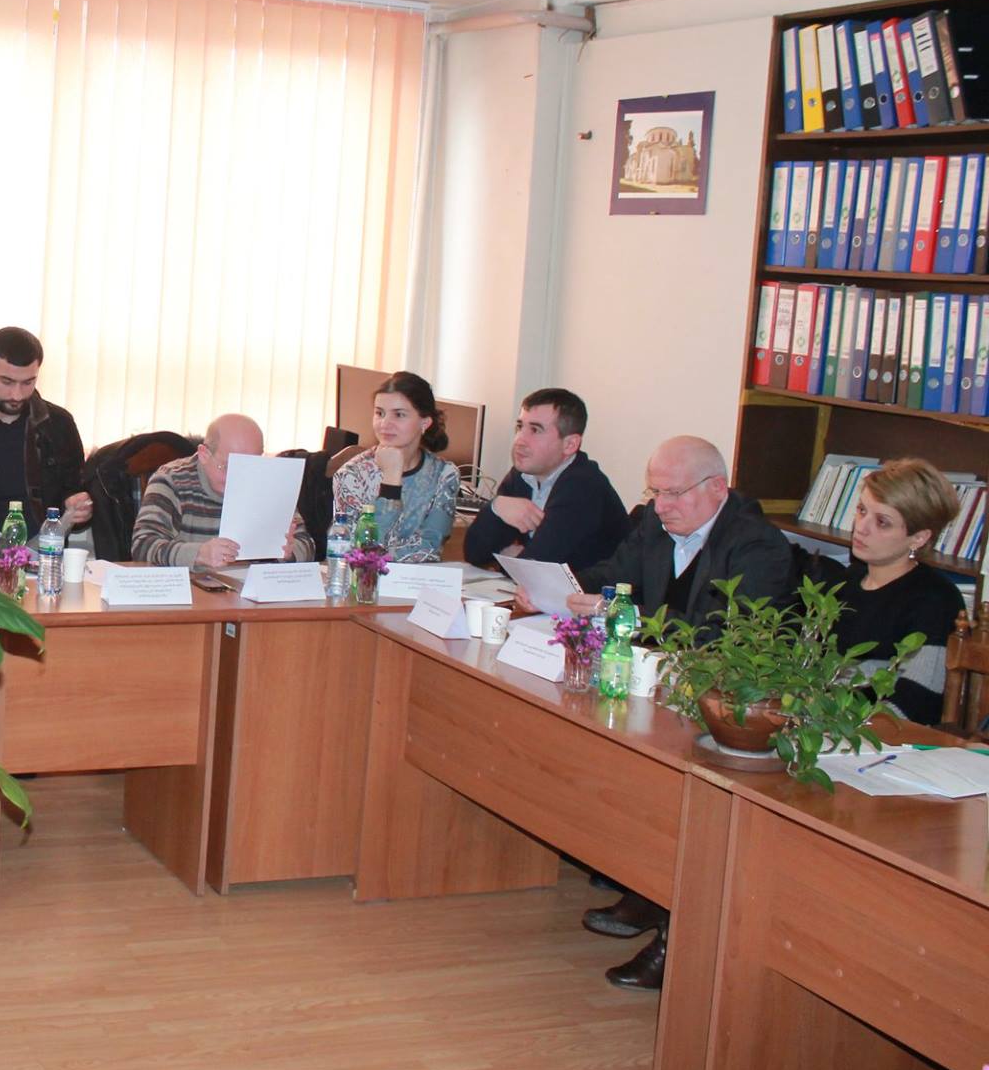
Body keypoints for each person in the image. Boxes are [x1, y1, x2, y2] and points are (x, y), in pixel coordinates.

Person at [566, 434, 795, 994]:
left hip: (721, 704)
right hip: (653, 686)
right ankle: (648, 886)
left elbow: (724, 635)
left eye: (673, 493)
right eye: (655, 492)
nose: (661, 505)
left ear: (717, 488)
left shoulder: (758, 545)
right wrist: (564, 588)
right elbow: (610, 574)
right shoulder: (654, 525)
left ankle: (674, 925)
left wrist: (623, 612)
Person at [807, 458, 964, 726]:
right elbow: (808, 667)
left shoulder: (935, 599)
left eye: (882, 522)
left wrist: (832, 724)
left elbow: (917, 704)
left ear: (919, 538)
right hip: (819, 722)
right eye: (861, 510)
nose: (861, 527)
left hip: (873, 736)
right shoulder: (846, 581)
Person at [462, 388, 629, 572]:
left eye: (535, 430)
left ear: (570, 444)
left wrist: (508, 560)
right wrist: (496, 507)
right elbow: (475, 554)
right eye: (520, 427)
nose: (519, 440)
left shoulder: (584, 485)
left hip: (596, 590)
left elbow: (535, 568)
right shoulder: (523, 476)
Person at [130, 414, 313, 569]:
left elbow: (307, 544)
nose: (239, 478)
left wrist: (288, 553)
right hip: (194, 591)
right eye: (228, 467)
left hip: (252, 592)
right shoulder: (172, 480)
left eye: (249, 467)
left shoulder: (269, 481)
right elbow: (142, 544)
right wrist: (198, 554)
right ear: (204, 454)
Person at [0, 327, 90, 536]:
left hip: (42, 546)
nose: (17, 395)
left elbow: (74, 491)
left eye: (28, 382)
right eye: (7, 382)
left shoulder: (58, 424)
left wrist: (78, 507)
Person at [331, 371, 461, 562]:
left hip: (417, 578)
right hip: (363, 579)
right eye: (379, 413)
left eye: (399, 415)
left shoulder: (444, 474)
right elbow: (361, 552)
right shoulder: (352, 475)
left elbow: (430, 548)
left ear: (425, 422)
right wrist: (391, 482)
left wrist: (382, 557)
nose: (385, 424)